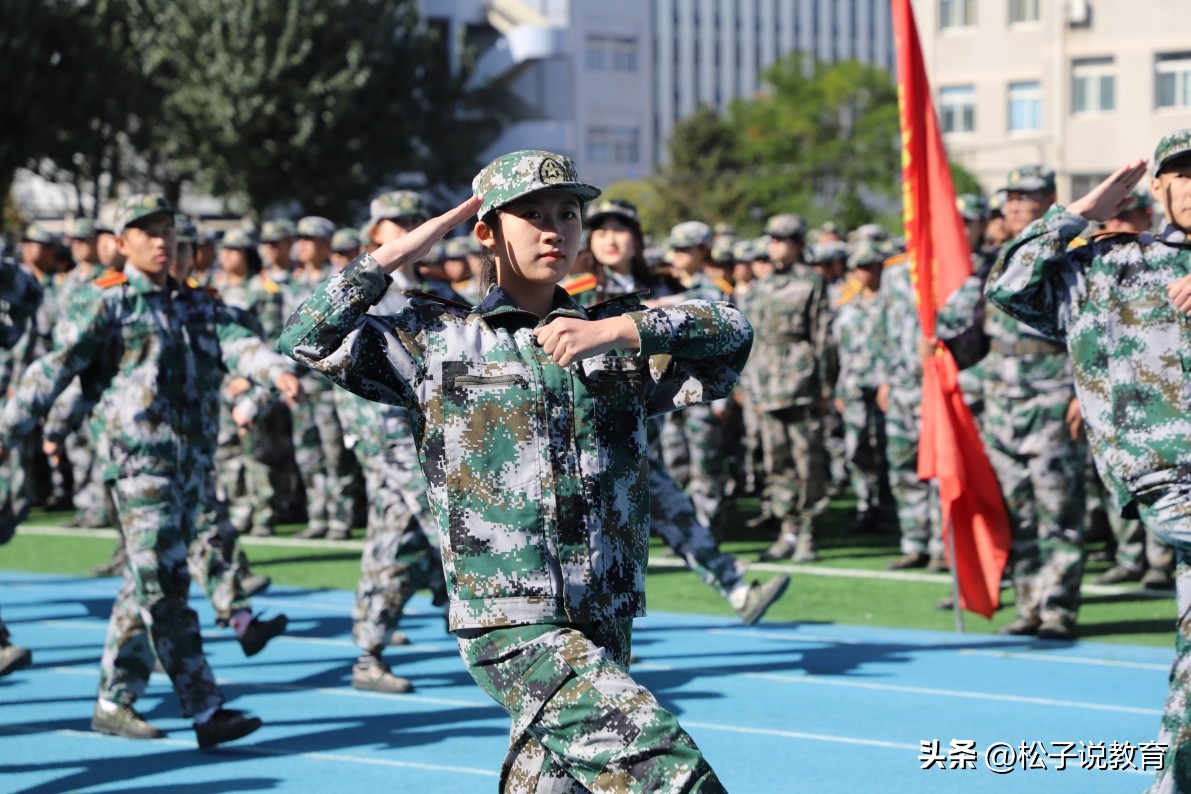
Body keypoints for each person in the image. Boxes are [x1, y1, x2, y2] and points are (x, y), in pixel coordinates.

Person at [280, 150, 747, 792]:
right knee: (670, 773)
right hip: (511, 620)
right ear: (486, 231)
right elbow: (307, 334)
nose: (555, 228)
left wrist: (619, 329)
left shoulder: (614, 330)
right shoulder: (435, 338)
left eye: (567, 212)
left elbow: (730, 332)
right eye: (530, 214)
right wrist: (413, 241)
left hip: (604, 610)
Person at [0, 195, 287, 748]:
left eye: (167, 231)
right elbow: (52, 371)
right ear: (121, 241)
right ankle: (206, 711)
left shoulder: (196, 305)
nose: (161, 240)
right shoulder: (108, 302)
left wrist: (274, 372)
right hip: (138, 470)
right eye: (147, 231)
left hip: (189, 470)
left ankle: (115, 700)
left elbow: (241, 342)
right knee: (167, 585)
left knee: (142, 583)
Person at [985, 130, 1191, 794]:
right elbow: (1008, 284)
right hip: (1163, 473)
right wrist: (1079, 209)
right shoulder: (1108, 265)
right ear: (1156, 187)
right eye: (1181, 174)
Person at [983, 165, 1086, 639]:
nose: (1017, 204)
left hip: (1050, 403)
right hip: (1001, 406)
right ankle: (1028, 604)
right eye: (1012, 197)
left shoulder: (1075, 257)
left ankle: (1059, 607)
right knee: (1017, 513)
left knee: (1058, 513)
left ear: (1051, 200)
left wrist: (1081, 393)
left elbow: (1090, 332)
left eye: (1029, 196)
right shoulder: (996, 260)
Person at [752, 213, 835, 563]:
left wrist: (826, 387)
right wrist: (752, 387)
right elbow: (752, 339)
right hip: (768, 384)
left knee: (808, 461)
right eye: (772, 240)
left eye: (783, 240)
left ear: (798, 245)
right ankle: (787, 528)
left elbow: (823, 337)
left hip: (802, 381)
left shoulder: (813, 282)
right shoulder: (761, 286)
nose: (776, 247)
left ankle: (808, 531)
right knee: (778, 461)